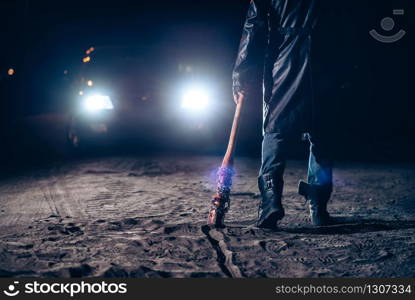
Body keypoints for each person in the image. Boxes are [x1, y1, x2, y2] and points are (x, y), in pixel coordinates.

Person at [232, 0, 333, 229]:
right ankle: (318, 207)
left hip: (286, 56)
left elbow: (254, 23)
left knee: (275, 129)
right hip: (326, 56)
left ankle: (270, 201)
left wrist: (241, 69)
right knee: (323, 132)